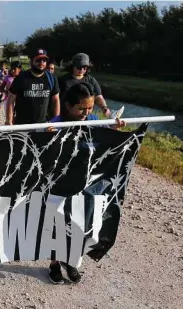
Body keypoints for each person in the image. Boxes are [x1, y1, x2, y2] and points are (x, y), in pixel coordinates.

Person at [46, 82, 125, 284]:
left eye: (90, 108)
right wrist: (47, 137)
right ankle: (54, 264)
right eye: (81, 108)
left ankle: (70, 260)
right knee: (56, 227)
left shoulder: (92, 121)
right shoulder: (55, 123)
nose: (86, 112)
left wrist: (114, 130)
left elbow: (104, 144)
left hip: (83, 187)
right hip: (59, 185)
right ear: (68, 106)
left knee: (79, 226)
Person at [6, 48, 60, 125]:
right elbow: (10, 100)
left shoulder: (51, 78)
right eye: (38, 60)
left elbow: (56, 100)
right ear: (31, 61)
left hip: (44, 125)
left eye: (44, 60)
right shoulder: (21, 78)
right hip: (22, 125)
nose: (41, 63)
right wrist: (9, 121)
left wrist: (55, 122)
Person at [58, 53, 110, 117]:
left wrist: (104, 108)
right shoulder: (63, 80)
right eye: (79, 67)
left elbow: (98, 96)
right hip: (66, 116)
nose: (82, 70)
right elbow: (55, 99)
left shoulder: (91, 80)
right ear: (73, 66)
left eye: (84, 67)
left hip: (85, 116)